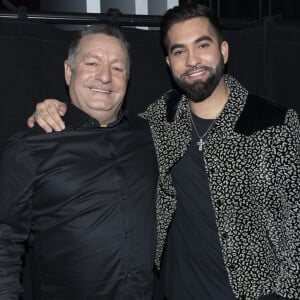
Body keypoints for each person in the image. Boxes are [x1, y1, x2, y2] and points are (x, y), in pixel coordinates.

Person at [27, 3, 300, 300]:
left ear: (223, 51)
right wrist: (59, 108)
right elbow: (102, 116)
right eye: (180, 51)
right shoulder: (158, 120)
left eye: (202, 45)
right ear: (169, 63)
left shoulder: (275, 123)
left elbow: (295, 227)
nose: (192, 60)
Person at [0, 23, 159, 299]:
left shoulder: (151, 137)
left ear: (128, 79)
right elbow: (3, 242)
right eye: (92, 63)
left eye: (118, 68)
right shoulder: (30, 146)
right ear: (68, 71)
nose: (105, 77)